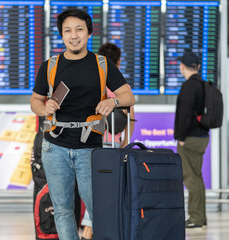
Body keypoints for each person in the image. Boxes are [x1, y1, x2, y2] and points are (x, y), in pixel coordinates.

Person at [30, 9, 135, 240]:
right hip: (54, 148)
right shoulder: (50, 66)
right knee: (63, 211)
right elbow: (35, 101)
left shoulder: (102, 64)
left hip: (90, 150)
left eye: (79, 29)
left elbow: (129, 96)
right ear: (62, 35)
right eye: (67, 30)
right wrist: (44, 108)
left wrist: (112, 101)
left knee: (100, 211)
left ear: (89, 33)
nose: (73, 35)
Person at [80, 42, 135, 240]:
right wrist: (126, 140)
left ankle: (88, 231)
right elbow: (130, 116)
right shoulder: (122, 87)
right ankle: (92, 230)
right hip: (113, 146)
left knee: (94, 189)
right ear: (118, 62)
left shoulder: (94, 82)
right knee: (109, 189)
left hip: (92, 144)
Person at [174, 51, 209, 229]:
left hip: (190, 138)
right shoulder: (203, 85)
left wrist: (180, 137)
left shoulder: (189, 86)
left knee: (190, 178)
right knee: (197, 177)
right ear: (198, 66)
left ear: (182, 66)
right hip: (202, 136)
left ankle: (195, 218)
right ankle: (200, 217)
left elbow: (185, 113)